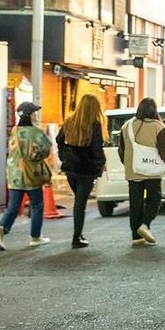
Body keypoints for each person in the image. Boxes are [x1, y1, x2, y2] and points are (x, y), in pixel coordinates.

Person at [0, 102, 53, 251]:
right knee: (37, 205)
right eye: (35, 112)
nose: (36, 115)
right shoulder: (36, 132)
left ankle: (0, 230)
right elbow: (47, 148)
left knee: (13, 207)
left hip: (14, 174)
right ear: (30, 115)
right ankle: (35, 237)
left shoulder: (14, 130)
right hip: (31, 174)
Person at [118, 98, 165, 246]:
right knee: (154, 199)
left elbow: (121, 150)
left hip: (133, 170)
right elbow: (164, 150)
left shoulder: (126, 126)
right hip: (152, 171)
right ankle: (145, 224)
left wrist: (129, 164)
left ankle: (136, 237)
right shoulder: (158, 127)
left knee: (135, 203)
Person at [56, 94, 107, 248]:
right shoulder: (94, 125)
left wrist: (63, 156)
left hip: (71, 168)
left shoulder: (70, 122)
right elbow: (97, 149)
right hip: (86, 169)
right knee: (80, 204)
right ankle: (76, 237)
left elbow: (59, 140)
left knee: (79, 201)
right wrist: (100, 165)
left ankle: (78, 235)